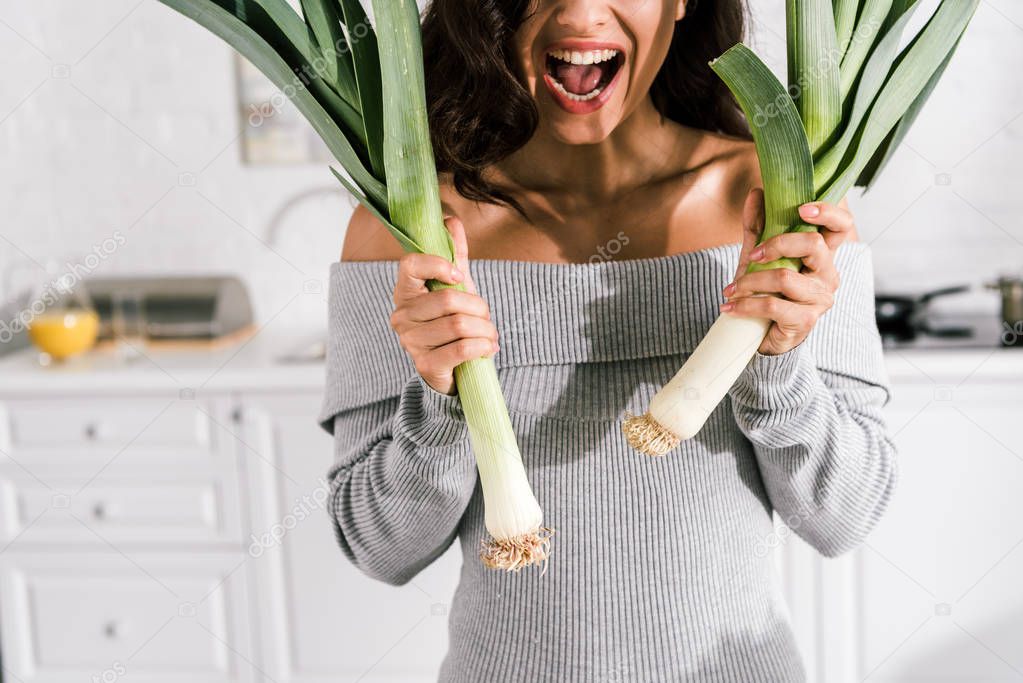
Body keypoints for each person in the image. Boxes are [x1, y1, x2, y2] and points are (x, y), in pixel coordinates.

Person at [317, 1, 897, 680]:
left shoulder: (778, 206)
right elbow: (378, 546)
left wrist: (775, 364)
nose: (582, 11)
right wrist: (442, 398)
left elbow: (844, 516)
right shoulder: (411, 234)